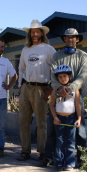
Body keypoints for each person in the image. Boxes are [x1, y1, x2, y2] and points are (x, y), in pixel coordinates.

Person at [40, 28, 87, 167]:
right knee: (53, 127)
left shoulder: (82, 55)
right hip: (57, 93)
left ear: (77, 39)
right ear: (64, 39)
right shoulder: (57, 55)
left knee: (80, 129)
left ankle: (83, 158)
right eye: (68, 37)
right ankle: (49, 157)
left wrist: (70, 88)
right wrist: (59, 88)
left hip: (75, 94)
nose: (70, 39)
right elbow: (52, 73)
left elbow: (82, 75)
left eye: (73, 37)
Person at [17, 20, 56, 161]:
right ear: (30, 34)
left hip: (42, 88)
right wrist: (20, 86)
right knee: (24, 121)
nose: (34, 34)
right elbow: (21, 69)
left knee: (41, 123)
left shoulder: (48, 49)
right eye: (32, 32)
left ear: (41, 33)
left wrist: (51, 87)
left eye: (37, 31)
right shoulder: (25, 49)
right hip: (26, 88)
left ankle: (42, 152)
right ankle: (25, 151)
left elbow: (55, 68)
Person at [49, 65, 81, 171]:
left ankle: (69, 163)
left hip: (71, 118)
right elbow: (51, 105)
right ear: (57, 79)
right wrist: (55, 117)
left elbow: (77, 105)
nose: (63, 79)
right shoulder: (55, 90)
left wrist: (79, 118)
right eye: (60, 77)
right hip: (59, 119)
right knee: (60, 141)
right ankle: (59, 162)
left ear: (69, 76)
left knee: (70, 141)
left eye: (65, 76)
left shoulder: (74, 90)